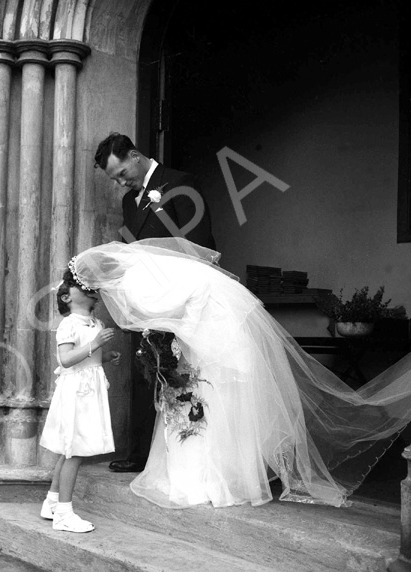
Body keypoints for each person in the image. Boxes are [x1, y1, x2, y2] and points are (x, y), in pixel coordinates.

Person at [70, 238, 411, 509]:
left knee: (216, 397)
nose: (100, 299)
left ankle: (217, 479)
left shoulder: (135, 281)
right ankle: (220, 475)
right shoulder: (144, 269)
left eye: (94, 292)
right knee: (209, 399)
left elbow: (179, 306)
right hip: (205, 330)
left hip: (216, 331)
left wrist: (163, 344)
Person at [94, 132, 216, 473]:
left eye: (121, 174)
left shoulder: (179, 183)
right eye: (114, 179)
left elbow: (200, 243)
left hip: (182, 296)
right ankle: (142, 455)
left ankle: (187, 453)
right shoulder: (128, 203)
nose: (120, 183)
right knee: (148, 369)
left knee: (185, 373)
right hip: (148, 301)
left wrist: (182, 296)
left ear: (135, 156)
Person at [39, 268, 121, 532]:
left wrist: (106, 357)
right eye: (77, 285)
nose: (86, 288)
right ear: (67, 298)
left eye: (88, 286)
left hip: (90, 387)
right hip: (76, 391)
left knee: (69, 449)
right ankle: (64, 513)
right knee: (74, 449)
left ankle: (51, 502)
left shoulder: (95, 324)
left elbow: (89, 357)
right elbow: (65, 360)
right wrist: (96, 344)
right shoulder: (69, 324)